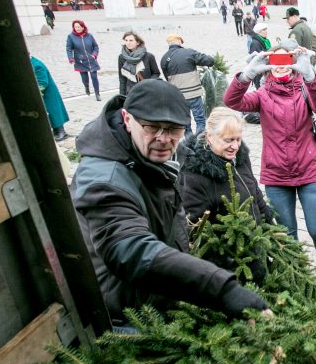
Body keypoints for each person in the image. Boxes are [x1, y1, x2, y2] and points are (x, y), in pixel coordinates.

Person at [70, 80, 268, 329]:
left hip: (159, 300)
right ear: (127, 118)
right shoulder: (104, 179)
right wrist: (221, 289)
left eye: (174, 129)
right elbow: (130, 250)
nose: (164, 139)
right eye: (152, 127)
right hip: (128, 317)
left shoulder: (142, 154)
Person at [223, 40, 316, 292]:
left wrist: (311, 75)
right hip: (276, 175)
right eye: (276, 61)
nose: (281, 66)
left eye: (287, 61)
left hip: (310, 171)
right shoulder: (262, 95)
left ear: (295, 64)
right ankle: (297, 274)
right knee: (287, 234)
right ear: (268, 65)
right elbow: (232, 101)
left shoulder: (305, 89)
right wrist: (246, 75)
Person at [180, 107, 275, 283]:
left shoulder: (239, 157)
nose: (235, 146)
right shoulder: (196, 177)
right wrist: (227, 261)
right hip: (231, 263)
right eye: (229, 140)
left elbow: (253, 189)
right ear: (209, 137)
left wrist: (266, 217)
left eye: (238, 139)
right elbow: (194, 230)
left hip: (255, 246)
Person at [160, 34, 215, 136]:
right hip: (193, 93)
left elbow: (167, 78)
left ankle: (189, 143)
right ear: (180, 42)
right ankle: (199, 141)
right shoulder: (189, 52)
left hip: (178, 96)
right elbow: (209, 61)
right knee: (199, 119)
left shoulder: (164, 58)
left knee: (185, 123)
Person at [30, 55, 70, 141]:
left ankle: (61, 131)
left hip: (48, 94)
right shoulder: (31, 63)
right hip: (45, 94)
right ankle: (56, 131)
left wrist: (36, 93)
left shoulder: (37, 65)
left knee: (53, 112)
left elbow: (42, 82)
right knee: (51, 112)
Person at [66, 19, 102, 101]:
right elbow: (68, 48)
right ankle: (87, 87)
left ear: (83, 27)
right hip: (80, 61)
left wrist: (94, 54)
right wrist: (70, 58)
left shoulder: (89, 36)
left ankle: (97, 93)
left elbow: (96, 46)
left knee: (94, 77)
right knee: (85, 78)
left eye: (78, 27)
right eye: (75, 27)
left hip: (91, 60)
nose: (77, 28)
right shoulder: (71, 37)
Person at [118, 31, 160, 96]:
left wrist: (148, 83)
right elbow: (122, 79)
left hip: (147, 91)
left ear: (138, 42)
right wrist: (121, 97)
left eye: (131, 40)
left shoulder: (149, 56)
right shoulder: (122, 57)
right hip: (131, 93)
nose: (128, 43)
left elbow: (156, 73)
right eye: (126, 40)